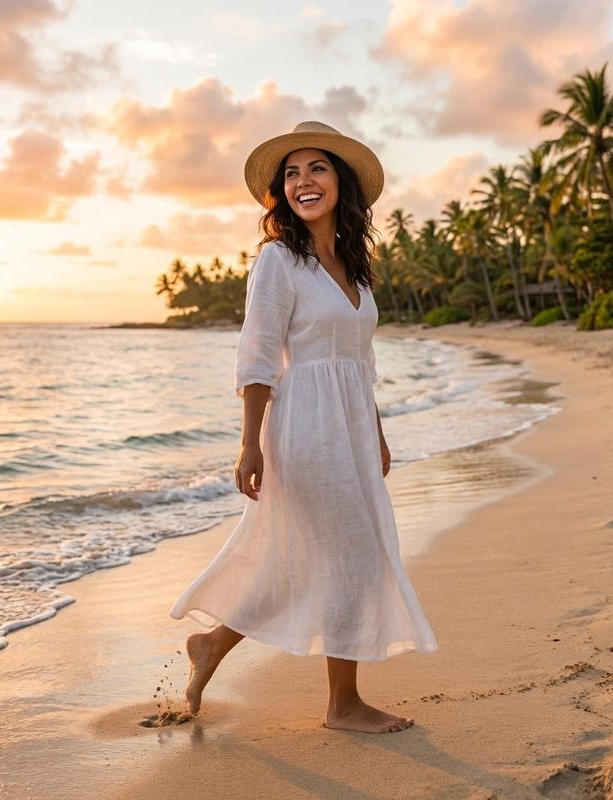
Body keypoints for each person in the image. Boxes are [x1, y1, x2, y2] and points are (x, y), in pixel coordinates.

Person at [169, 121, 437, 734]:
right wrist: (249, 443)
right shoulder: (277, 261)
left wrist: (376, 430)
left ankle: (213, 645)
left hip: (349, 425)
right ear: (280, 191)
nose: (303, 182)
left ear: (339, 182)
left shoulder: (354, 265)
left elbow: (360, 363)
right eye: (291, 173)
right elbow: (258, 354)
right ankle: (343, 706)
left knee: (325, 557)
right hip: (304, 427)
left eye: (316, 168)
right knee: (352, 555)